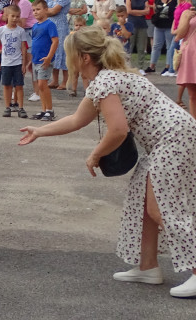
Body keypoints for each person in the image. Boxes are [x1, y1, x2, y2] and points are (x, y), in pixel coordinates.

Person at [19, 26, 196, 298]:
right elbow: (77, 119)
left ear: (84, 58)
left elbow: (118, 131)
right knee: (143, 201)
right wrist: (39, 131)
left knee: (162, 207)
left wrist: (95, 154)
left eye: (70, 54)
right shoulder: (107, 79)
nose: (67, 59)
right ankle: (148, 267)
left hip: (172, 139)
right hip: (170, 138)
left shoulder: (105, 81)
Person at [0, 5, 31, 119]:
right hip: (6, 63)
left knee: (19, 86)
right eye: (12, 16)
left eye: (17, 16)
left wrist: (24, 63)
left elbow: (24, 47)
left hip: (18, 63)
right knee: (7, 86)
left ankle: (20, 107)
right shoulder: (1, 30)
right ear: (7, 16)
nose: (15, 19)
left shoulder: (21, 31)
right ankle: (7, 107)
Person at [29, 0, 60, 118]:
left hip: (44, 60)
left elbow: (55, 41)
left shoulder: (49, 24)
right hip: (35, 59)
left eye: (38, 9)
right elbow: (35, 42)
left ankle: (50, 110)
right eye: (33, 10)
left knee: (43, 84)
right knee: (39, 85)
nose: (35, 12)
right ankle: (43, 110)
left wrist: (49, 57)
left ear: (46, 10)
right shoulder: (35, 26)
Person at [174, 7, 196, 119]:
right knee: (192, 95)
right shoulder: (187, 13)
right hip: (190, 55)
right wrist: (187, 18)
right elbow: (179, 35)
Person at [151, 0, 177, 75]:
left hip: (169, 27)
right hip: (158, 26)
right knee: (156, 46)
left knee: (169, 47)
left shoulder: (175, 0)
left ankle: (168, 67)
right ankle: (152, 66)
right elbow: (155, 10)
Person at [125, 0, 151, 72]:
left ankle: (140, 67)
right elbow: (129, 11)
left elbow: (147, 11)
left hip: (142, 25)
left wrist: (135, 11)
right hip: (131, 25)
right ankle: (127, 66)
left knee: (141, 47)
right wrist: (141, 12)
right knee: (130, 46)